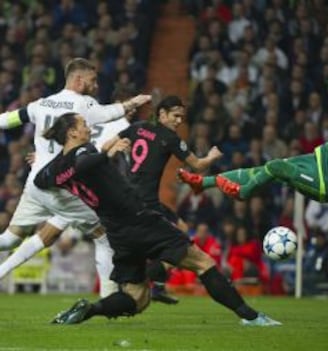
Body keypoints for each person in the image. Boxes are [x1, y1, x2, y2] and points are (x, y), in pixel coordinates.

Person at [34, 113, 280, 327]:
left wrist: (59, 164)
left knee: (137, 299)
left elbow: (40, 180)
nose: (88, 128)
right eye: (83, 124)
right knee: (203, 263)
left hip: (117, 232)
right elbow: (85, 161)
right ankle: (251, 316)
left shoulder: (58, 168)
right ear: (73, 132)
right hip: (140, 219)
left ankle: (90, 310)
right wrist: (106, 152)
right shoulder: (84, 152)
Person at [178, 65, 328, 231]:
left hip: (325, 185)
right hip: (314, 161)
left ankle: (242, 193)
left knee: (275, 166)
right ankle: (202, 184)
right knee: (260, 170)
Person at [0, 57, 151, 297]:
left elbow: (7, 120)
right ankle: (109, 298)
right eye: (92, 81)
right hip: (64, 185)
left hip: (35, 185)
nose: (96, 86)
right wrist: (132, 102)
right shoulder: (84, 104)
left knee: (9, 239)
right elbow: (107, 113)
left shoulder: (41, 104)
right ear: (79, 81)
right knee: (104, 234)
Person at [95, 94, 223, 304]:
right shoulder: (169, 138)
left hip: (129, 198)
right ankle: (151, 277)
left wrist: (118, 152)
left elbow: (104, 147)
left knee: (179, 228)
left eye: (182, 117)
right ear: (162, 114)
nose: (179, 121)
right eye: (175, 116)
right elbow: (198, 166)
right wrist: (212, 157)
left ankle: (157, 285)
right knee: (178, 242)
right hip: (146, 204)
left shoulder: (136, 127)